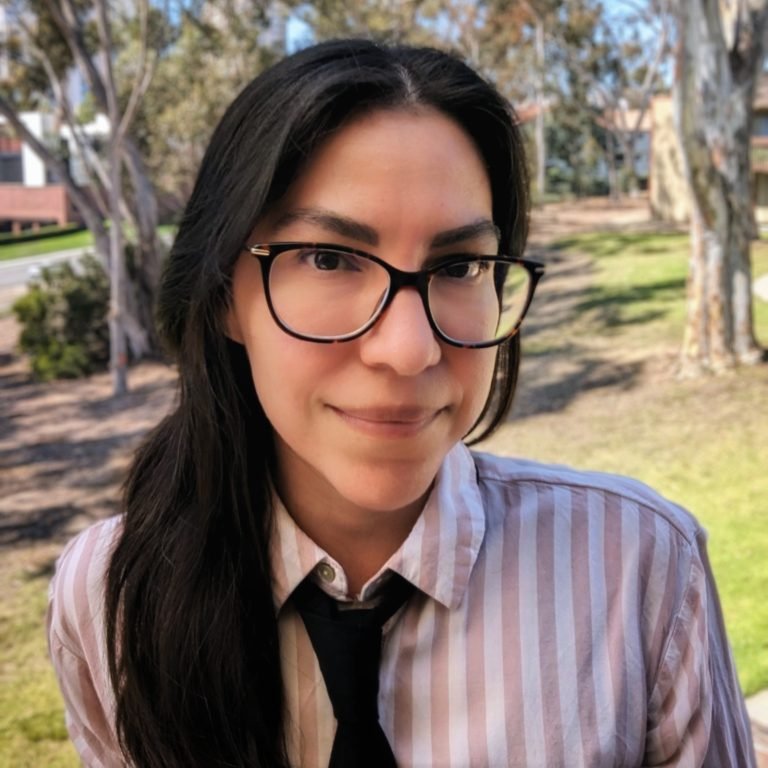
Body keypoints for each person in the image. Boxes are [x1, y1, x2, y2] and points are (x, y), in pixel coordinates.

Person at [47, 38, 756, 768]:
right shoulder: (110, 597)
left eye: (459, 265)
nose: (409, 349)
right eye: (329, 258)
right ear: (227, 294)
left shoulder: (639, 570)